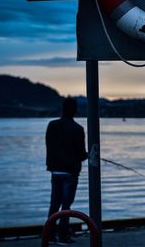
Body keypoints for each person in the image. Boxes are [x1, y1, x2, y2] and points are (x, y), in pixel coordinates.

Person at [46, 98, 88, 245]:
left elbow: (49, 146)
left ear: (62, 109)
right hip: (70, 172)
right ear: (75, 111)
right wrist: (88, 155)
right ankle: (63, 237)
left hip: (55, 170)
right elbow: (81, 155)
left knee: (54, 204)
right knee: (66, 206)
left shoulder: (51, 125)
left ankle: (49, 236)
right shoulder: (77, 129)